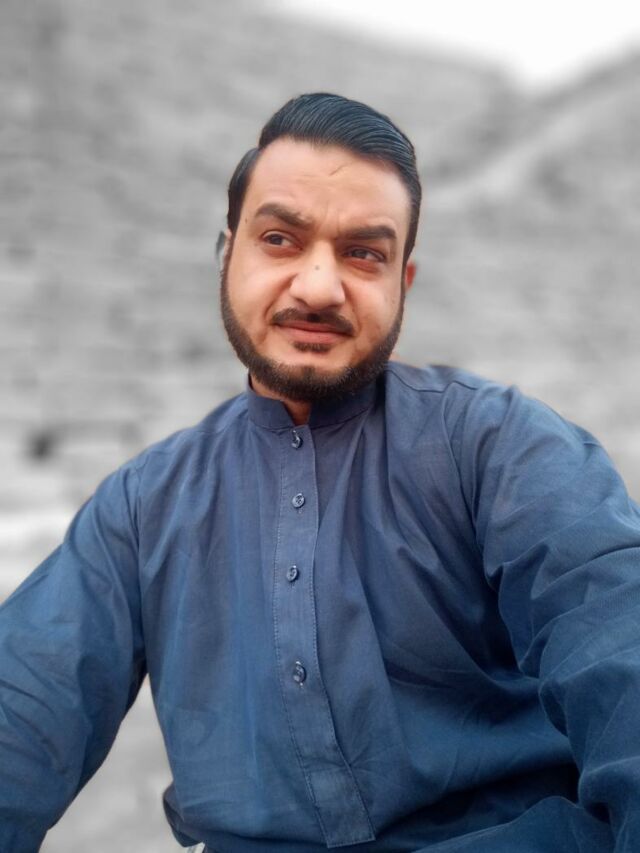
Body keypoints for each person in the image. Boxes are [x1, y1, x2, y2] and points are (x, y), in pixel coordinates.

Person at [0, 92, 639, 853]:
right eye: (280, 239)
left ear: (402, 283)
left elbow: (618, 645)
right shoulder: (142, 508)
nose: (317, 286)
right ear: (226, 255)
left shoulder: (501, 445)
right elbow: (25, 700)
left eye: (363, 254)